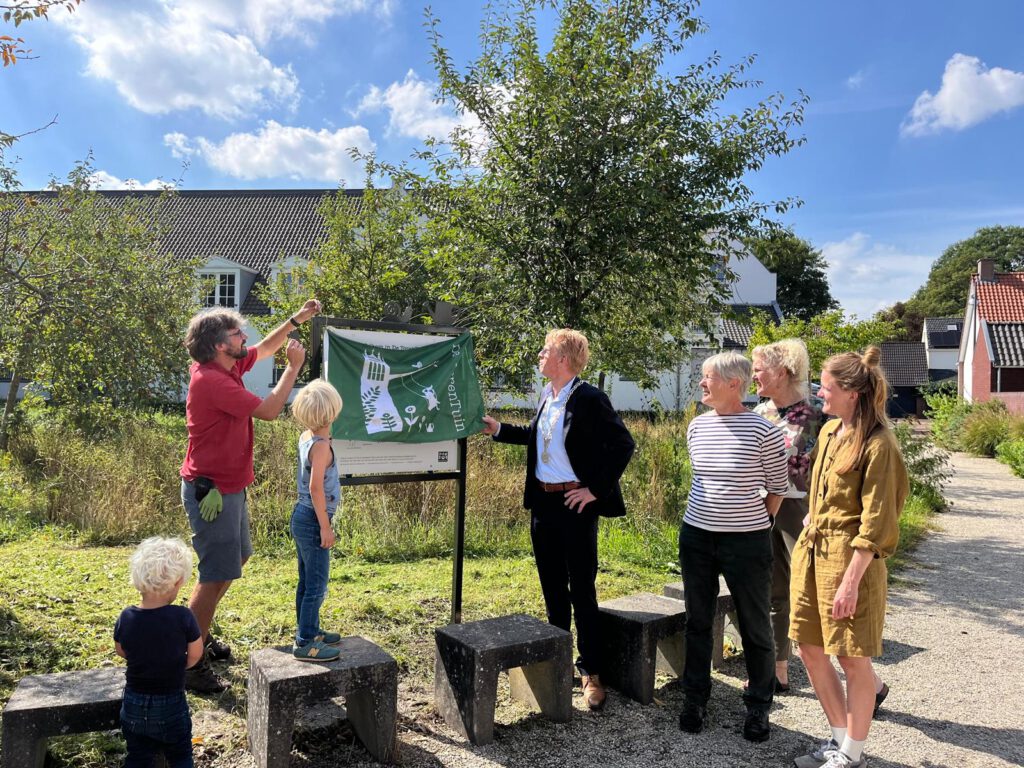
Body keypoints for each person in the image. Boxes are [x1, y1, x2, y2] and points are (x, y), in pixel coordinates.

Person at [482, 329, 635, 711]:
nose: (539, 355)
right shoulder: (547, 396)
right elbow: (536, 437)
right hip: (543, 504)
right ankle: (557, 661)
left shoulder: (589, 398)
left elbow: (623, 444)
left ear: (563, 359)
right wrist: (498, 429)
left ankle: (591, 671)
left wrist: (595, 490)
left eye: (545, 350)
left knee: (581, 590)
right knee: (552, 587)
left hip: (574, 505)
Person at [179, 299, 320, 691]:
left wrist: (297, 319)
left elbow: (267, 347)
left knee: (235, 559)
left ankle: (199, 632)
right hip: (212, 492)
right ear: (219, 345)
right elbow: (271, 410)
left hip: (229, 487)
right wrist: (293, 368)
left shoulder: (227, 365)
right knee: (215, 573)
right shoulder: (213, 381)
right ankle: (189, 662)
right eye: (236, 333)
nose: (244, 337)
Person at [790, 347, 908, 768]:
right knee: (809, 648)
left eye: (826, 386)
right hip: (813, 552)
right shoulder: (828, 432)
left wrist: (851, 582)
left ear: (852, 392)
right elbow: (820, 490)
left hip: (850, 562)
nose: (819, 392)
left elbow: (877, 521)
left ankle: (853, 754)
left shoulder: (879, 444)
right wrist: (812, 515)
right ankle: (840, 741)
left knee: (852, 657)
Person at [678, 351, 789, 742]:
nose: (701, 383)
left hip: (746, 541)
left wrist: (753, 524)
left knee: (755, 624)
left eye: (708, 377)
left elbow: (777, 488)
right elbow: (702, 479)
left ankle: (758, 706)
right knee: (697, 620)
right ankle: (694, 699)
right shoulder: (697, 427)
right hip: (696, 536)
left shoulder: (764, 431)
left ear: (733, 384)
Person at [752, 339, 824, 692]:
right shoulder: (760, 413)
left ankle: (861, 679)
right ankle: (778, 670)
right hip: (765, 507)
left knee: (812, 591)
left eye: (759, 369)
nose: (754, 375)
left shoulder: (819, 412)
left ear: (781, 372)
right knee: (773, 591)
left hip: (804, 511)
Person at [114, 537, 204, 768]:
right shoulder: (183, 616)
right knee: (181, 755)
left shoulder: (126, 617)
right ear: (178, 581)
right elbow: (196, 654)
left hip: (133, 704)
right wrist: (179, 665)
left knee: (138, 756)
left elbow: (121, 650)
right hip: (171, 704)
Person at [289, 379, 344, 661]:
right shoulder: (321, 446)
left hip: (301, 515)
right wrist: (325, 526)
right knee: (317, 584)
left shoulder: (306, 437)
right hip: (313, 519)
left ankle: (308, 629)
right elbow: (316, 488)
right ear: (332, 412)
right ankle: (306, 642)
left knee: (306, 580)